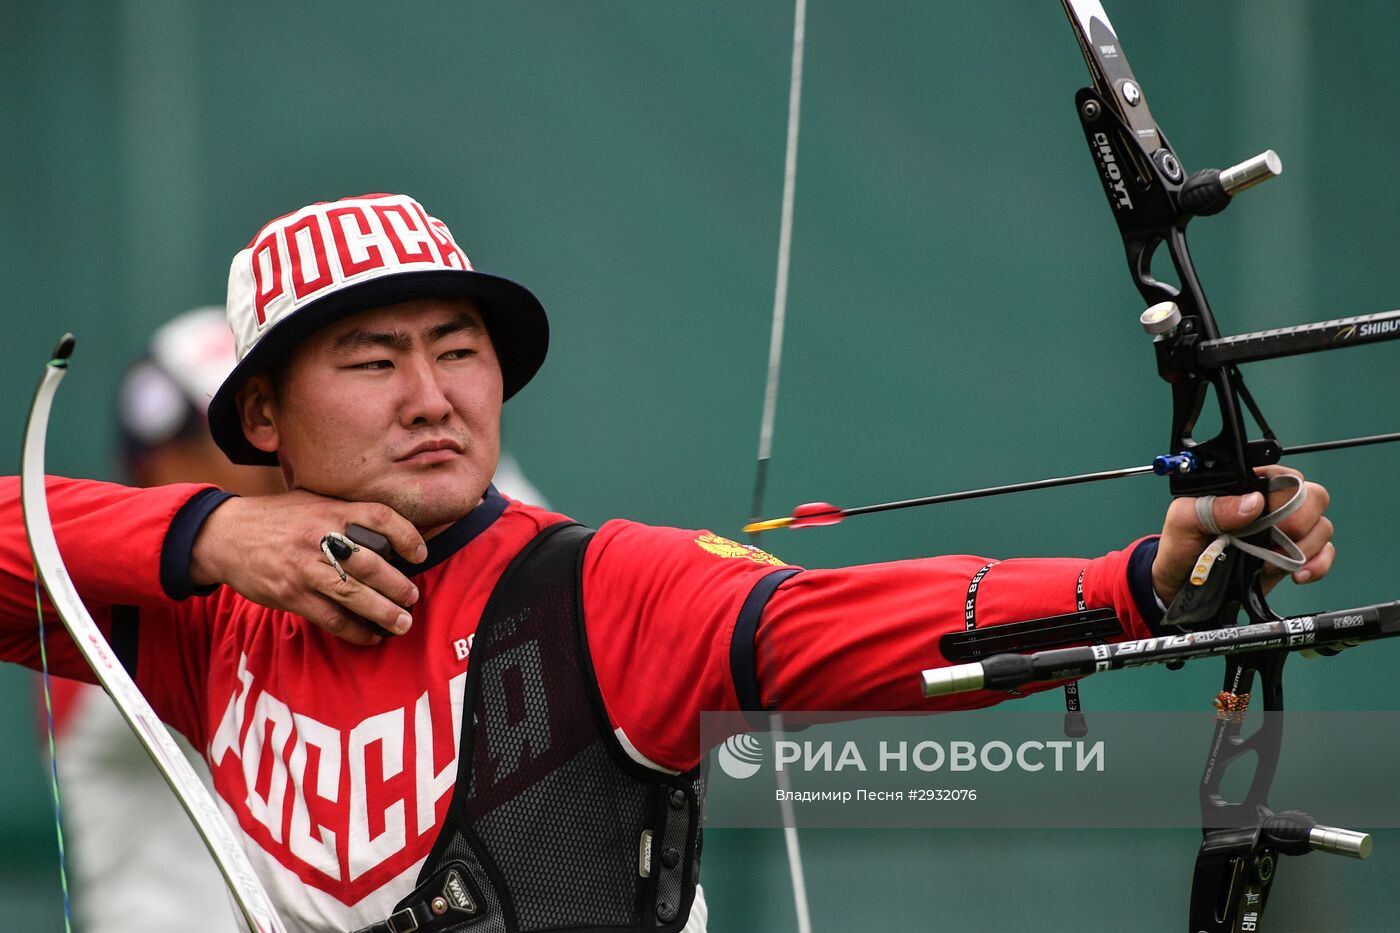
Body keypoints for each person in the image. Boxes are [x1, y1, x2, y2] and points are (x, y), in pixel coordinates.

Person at [0, 193, 1335, 933]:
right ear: (268, 424)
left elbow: (840, 622)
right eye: (369, 360)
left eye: (458, 349)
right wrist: (210, 531)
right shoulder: (203, 625)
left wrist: (1139, 584)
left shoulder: (597, 589)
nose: (431, 396)